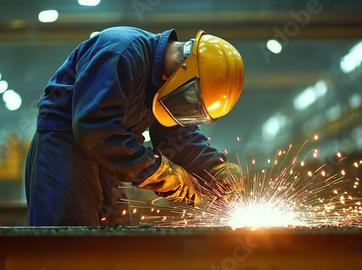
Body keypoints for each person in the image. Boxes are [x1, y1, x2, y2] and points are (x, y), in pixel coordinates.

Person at [25, 26, 245, 226]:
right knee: (70, 244)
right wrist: (158, 173)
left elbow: (178, 137)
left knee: (115, 240)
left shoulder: (166, 85)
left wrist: (215, 169)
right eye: (191, 101)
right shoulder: (122, 52)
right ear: (186, 73)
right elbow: (94, 128)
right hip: (65, 150)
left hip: (110, 156)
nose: (186, 108)